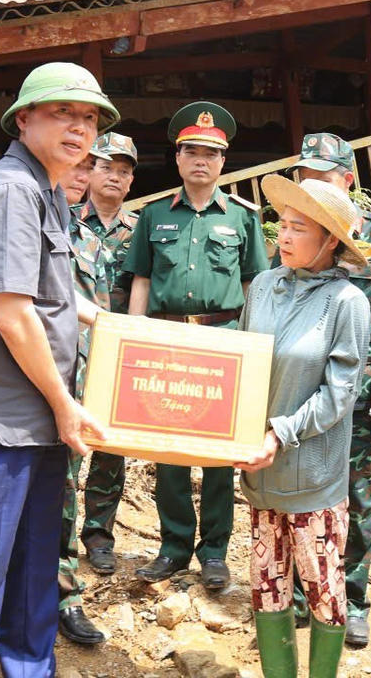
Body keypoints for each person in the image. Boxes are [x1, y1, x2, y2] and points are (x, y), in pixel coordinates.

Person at [0, 62, 115, 676]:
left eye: (89, 118)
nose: (79, 128)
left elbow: (54, 294)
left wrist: (115, 327)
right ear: (24, 119)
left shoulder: (47, 192)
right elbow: (12, 315)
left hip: (35, 420)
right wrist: (66, 405)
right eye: (63, 113)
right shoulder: (9, 190)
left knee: (34, 571)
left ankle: (30, 667)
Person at [124, 101, 268, 589]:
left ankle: (215, 554)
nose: (200, 161)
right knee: (169, 451)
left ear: (223, 162)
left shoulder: (243, 218)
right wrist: (135, 338)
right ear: (178, 158)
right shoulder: (153, 216)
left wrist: (255, 351)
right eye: (192, 152)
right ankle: (173, 547)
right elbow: (142, 280)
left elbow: (254, 286)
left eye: (210, 153)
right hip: (166, 339)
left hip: (224, 340)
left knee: (219, 453)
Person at [238, 175, 371, 678]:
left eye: (300, 228)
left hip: (312, 475)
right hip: (260, 469)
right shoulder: (264, 287)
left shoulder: (347, 302)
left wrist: (279, 433)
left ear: (330, 240)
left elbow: (340, 395)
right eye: (283, 224)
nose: (285, 236)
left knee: (322, 588)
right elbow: (243, 363)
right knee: (266, 584)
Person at [283, 133, 371, 646]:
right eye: (305, 177)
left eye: (324, 177)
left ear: (348, 181)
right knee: (297, 490)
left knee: (356, 497)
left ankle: (352, 601)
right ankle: (297, 597)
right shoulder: (292, 233)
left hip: (358, 393)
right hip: (302, 393)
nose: (312, 185)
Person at [77, 132, 139, 574]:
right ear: (88, 171)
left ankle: (99, 536)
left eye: (123, 171)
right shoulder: (63, 220)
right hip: (71, 349)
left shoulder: (140, 231)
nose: (114, 177)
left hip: (120, 352)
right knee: (64, 445)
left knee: (110, 448)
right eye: (105, 168)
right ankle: (58, 534)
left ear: (131, 181)